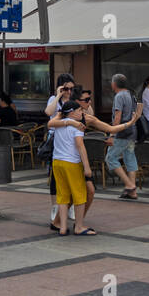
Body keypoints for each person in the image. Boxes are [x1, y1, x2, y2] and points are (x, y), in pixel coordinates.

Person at [49, 89, 144, 231]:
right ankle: (71, 224)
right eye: (86, 100)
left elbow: (110, 128)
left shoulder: (87, 118)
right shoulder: (64, 115)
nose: (89, 102)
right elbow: (51, 123)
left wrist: (130, 122)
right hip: (65, 159)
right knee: (75, 193)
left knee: (87, 192)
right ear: (76, 103)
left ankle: (69, 224)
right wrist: (71, 123)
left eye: (89, 99)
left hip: (74, 159)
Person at [49, 97, 96, 236]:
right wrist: (87, 167)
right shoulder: (77, 126)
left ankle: (63, 227)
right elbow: (80, 146)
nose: (82, 112)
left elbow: (50, 123)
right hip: (72, 163)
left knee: (63, 195)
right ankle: (79, 227)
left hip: (57, 162)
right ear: (72, 112)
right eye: (79, 110)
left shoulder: (59, 123)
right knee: (79, 195)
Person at [45, 74, 78, 229]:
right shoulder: (54, 99)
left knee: (72, 173)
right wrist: (58, 95)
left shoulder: (73, 100)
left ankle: (69, 205)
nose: (69, 91)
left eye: (72, 88)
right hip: (56, 141)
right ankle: (55, 206)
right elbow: (48, 112)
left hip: (72, 140)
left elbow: (89, 112)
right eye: (66, 88)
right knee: (55, 176)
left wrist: (81, 99)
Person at [106, 73, 140, 198]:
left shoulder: (119, 96)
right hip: (132, 131)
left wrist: (112, 135)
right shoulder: (132, 95)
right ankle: (133, 191)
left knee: (110, 158)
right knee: (129, 157)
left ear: (114, 84)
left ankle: (129, 185)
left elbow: (117, 118)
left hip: (122, 132)